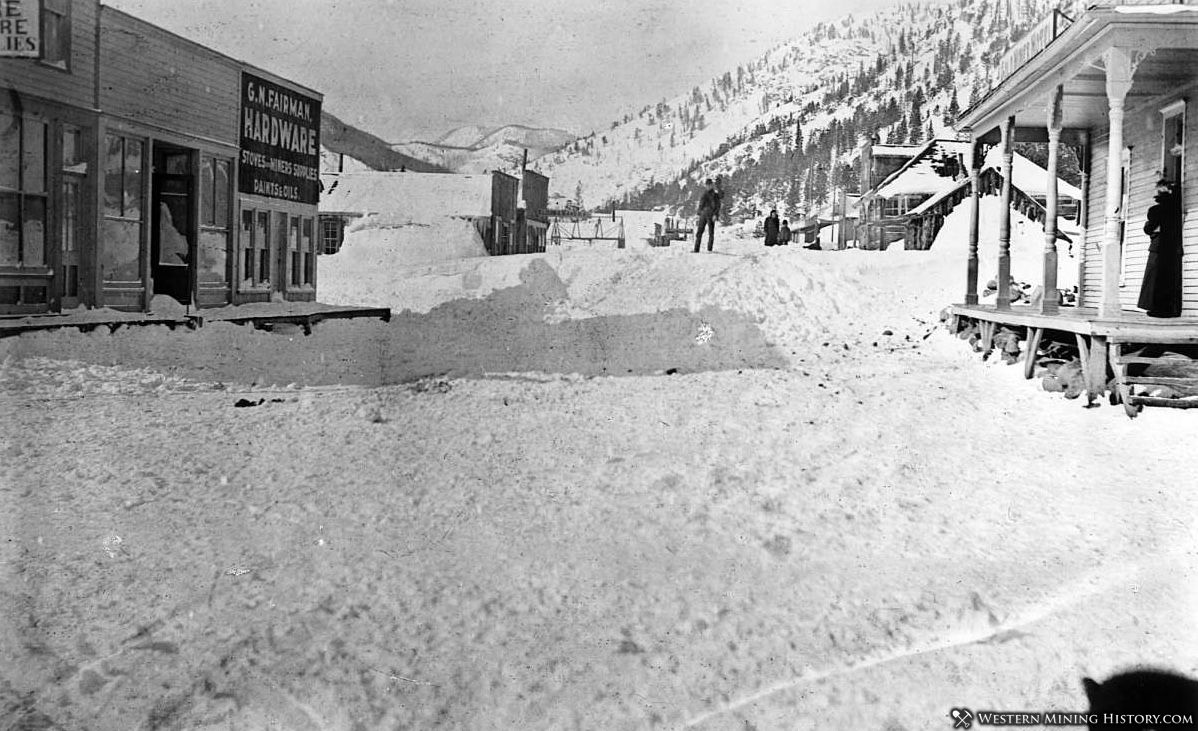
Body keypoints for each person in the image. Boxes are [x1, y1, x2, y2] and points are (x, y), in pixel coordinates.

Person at [1137, 179, 1184, 318]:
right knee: (1172, 279)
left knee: (1155, 278)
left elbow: (1149, 228)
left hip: (1159, 246)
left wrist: (1150, 227)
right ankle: (1172, 310)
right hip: (1174, 247)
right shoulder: (1177, 208)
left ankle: (1157, 309)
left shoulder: (1156, 210)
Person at [694, 179, 719, 253]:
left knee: (711, 232)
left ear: (712, 185)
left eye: (709, 185)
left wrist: (715, 215)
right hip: (703, 214)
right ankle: (696, 249)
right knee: (699, 232)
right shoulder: (704, 194)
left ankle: (709, 249)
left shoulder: (715, 195)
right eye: (707, 185)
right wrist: (698, 214)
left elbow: (718, 206)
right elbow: (700, 205)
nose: (708, 186)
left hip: (711, 214)